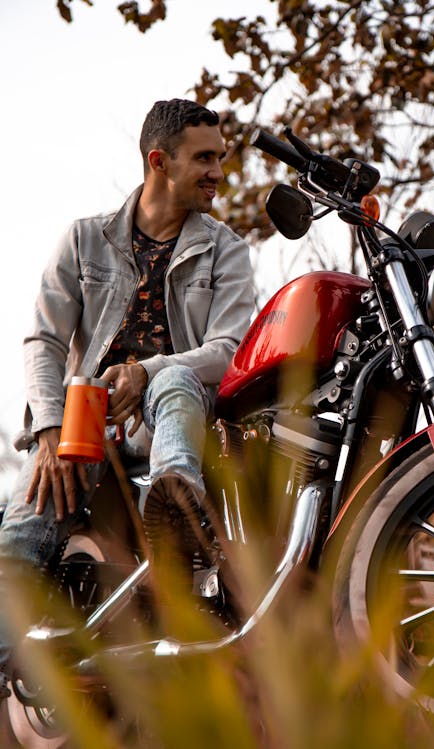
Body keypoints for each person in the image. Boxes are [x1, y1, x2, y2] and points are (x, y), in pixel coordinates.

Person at [0, 98, 254, 698]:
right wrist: (48, 436)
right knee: (19, 541)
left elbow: (228, 350)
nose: (219, 171)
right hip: (86, 423)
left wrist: (149, 370)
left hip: (180, 416)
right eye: (205, 158)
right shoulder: (85, 240)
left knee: (170, 377)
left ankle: (175, 500)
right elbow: (43, 340)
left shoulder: (227, 250)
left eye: (220, 157)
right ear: (159, 161)